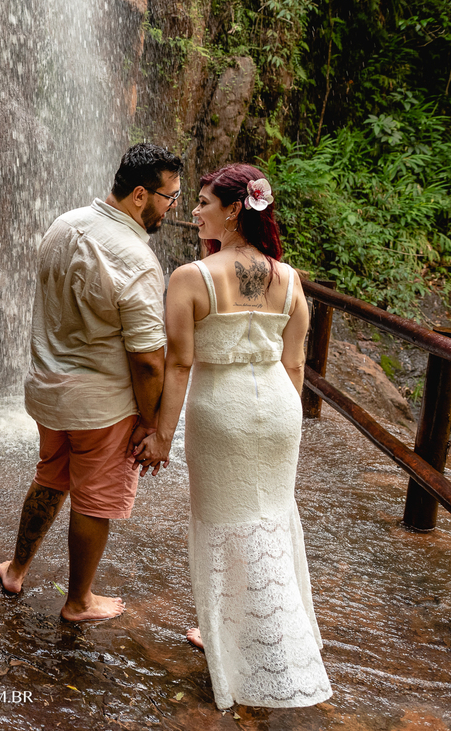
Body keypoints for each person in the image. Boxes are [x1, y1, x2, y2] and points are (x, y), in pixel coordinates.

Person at [134, 163, 333, 709]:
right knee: (271, 515)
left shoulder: (192, 277)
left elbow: (178, 366)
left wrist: (159, 437)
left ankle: (235, 642)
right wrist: (280, 420)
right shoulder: (289, 279)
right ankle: (275, 632)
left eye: (202, 202)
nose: (194, 211)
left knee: (222, 523)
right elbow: (294, 367)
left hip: (220, 410)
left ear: (233, 209)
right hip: (277, 412)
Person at [0, 143, 182, 621]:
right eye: (170, 198)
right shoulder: (136, 259)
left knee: (50, 477)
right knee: (95, 499)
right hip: (102, 406)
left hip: (49, 390)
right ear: (140, 195)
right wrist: (150, 420)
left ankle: (16, 570)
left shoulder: (64, 223)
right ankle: (79, 600)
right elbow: (147, 360)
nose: (172, 208)